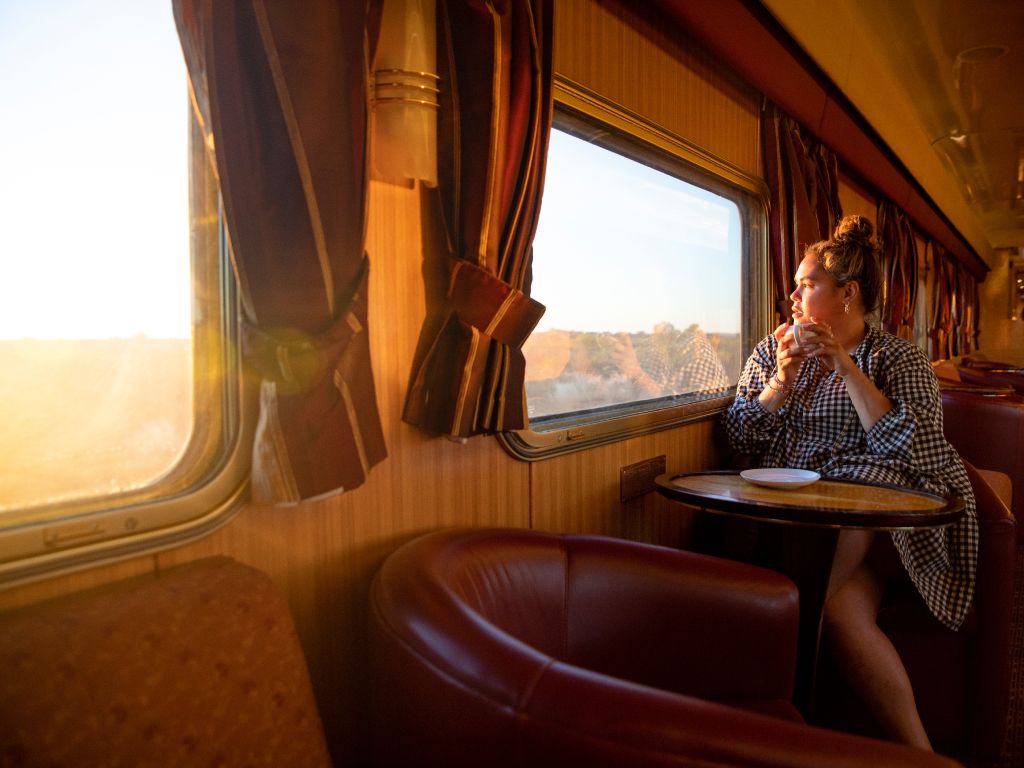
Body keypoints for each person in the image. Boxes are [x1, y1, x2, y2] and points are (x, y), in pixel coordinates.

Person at [722, 214, 978, 751]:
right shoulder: (772, 351)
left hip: (879, 532)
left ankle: (779, 727)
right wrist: (781, 381)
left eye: (807, 284)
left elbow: (917, 449)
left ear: (848, 293)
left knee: (861, 488)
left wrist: (844, 365)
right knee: (841, 614)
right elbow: (739, 436)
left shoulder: (898, 358)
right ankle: (922, 755)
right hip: (789, 512)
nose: (793, 296)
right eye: (795, 285)